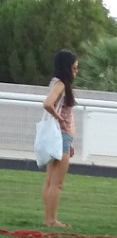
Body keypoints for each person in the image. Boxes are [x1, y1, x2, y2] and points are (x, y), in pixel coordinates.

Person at [41, 50, 78, 228]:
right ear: (66, 68)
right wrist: (61, 119)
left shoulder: (56, 83)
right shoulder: (61, 84)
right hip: (61, 136)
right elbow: (48, 104)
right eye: (74, 68)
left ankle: (48, 218)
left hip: (61, 137)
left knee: (50, 181)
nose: (76, 72)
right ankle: (52, 220)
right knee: (57, 183)